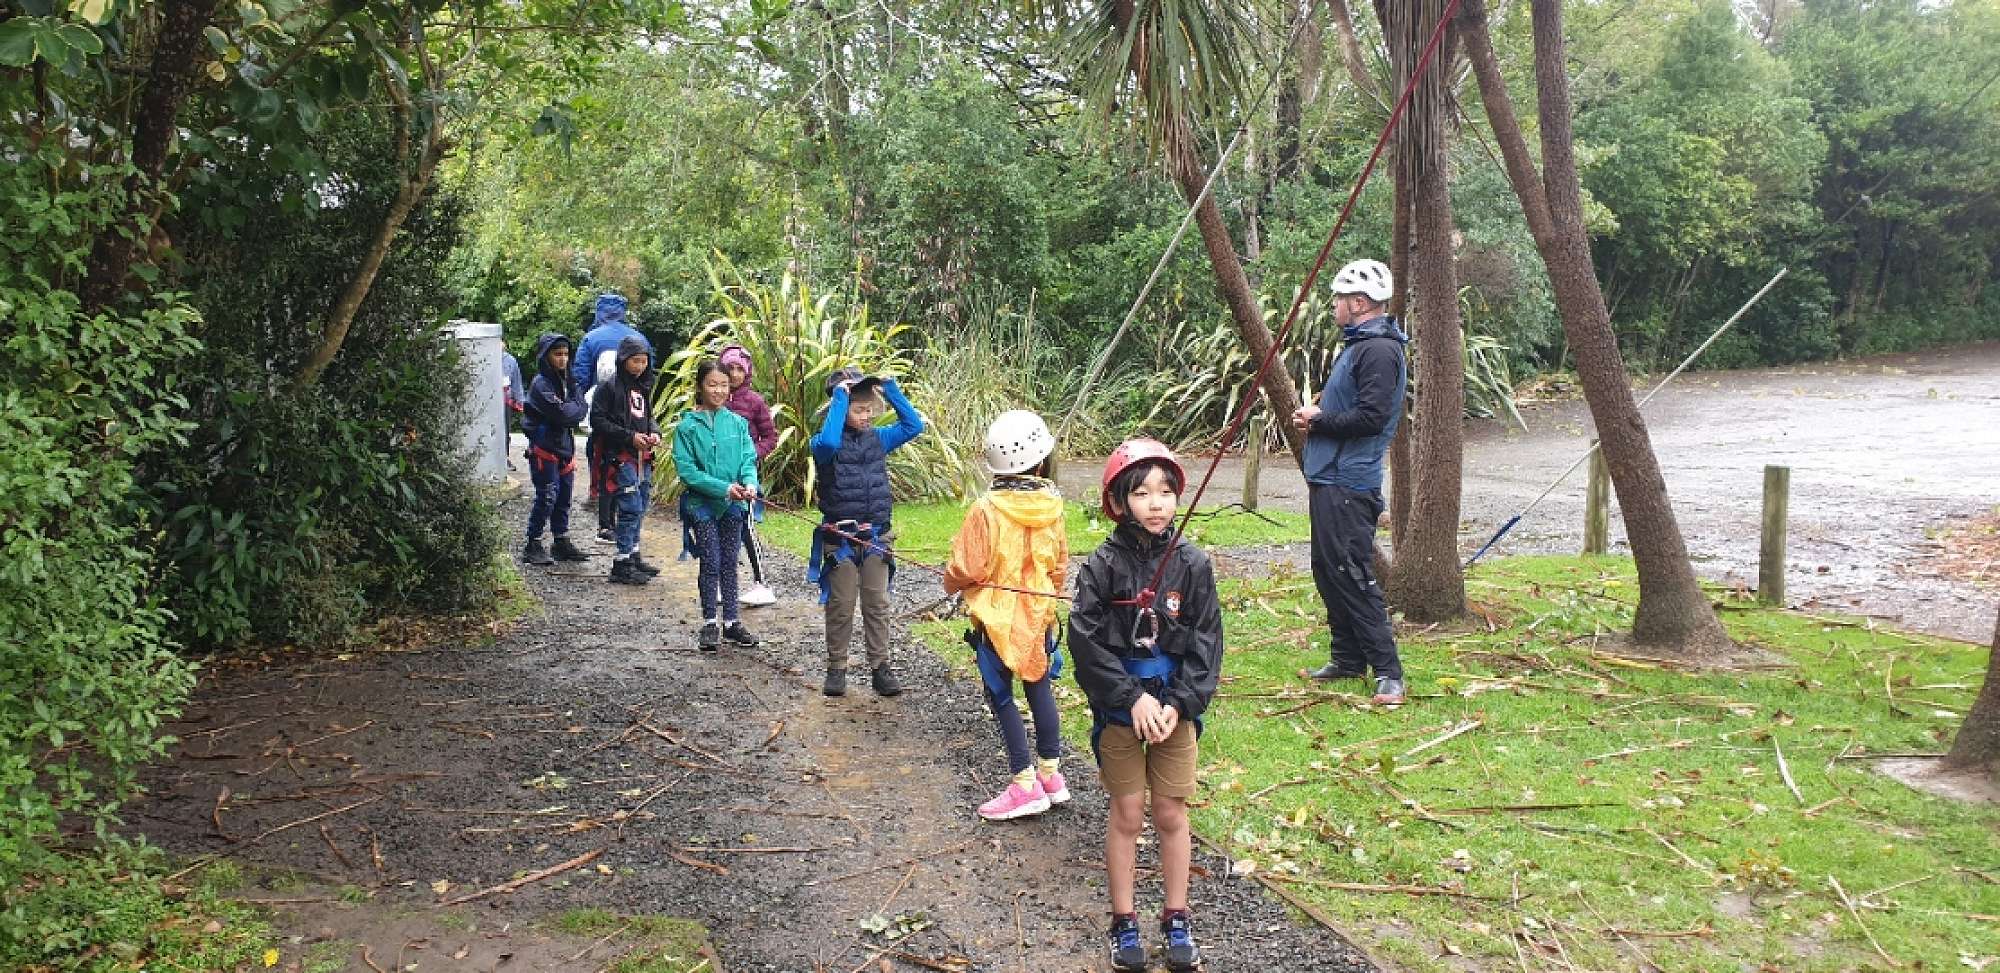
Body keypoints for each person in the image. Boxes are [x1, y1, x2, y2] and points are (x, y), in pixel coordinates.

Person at [1070, 439, 1221, 973]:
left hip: (1174, 710)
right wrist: (1129, 698)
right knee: (1129, 812)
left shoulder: (1193, 564)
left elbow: (1206, 641)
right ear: (1118, 501)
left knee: (1170, 811)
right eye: (1141, 493)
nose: (1155, 503)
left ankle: (1177, 916)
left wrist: (1180, 703)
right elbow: (1085, 641)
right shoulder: (1102, 566)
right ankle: (1124, 920)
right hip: (1120, 710)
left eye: (1164, 492)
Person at [1290, 258, 1409, 706]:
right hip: (1330, 476)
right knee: (1328, 570)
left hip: (1349, 481)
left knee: (1350, 573)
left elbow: (1373, 418)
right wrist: (1320, 417)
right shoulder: (1360, 345)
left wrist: (1320, 420)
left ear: (1359, 302)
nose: (1335, 305)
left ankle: (1389, 673)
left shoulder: (1378, 350)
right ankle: (1347, 658)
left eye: (1340, 298)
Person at [943, 411, 1069, 821]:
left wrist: (951, 582)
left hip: (996, 620)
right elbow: (1059, 565)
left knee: (999, 695)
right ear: (1040, 463)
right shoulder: (1052, 507)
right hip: (1037, 615)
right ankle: (1050, 774)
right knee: (1038, 687)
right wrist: (1045, 601)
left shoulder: (985, 510)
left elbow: (967, 566)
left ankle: (1025, 784)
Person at [809, 367, 926, 697]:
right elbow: (830, 441)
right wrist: (840, 397)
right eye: (859, 410)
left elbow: (913, 426)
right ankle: (837, 667)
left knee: (877, 604)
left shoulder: (879, 439)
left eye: (869, 410)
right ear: (840, 408)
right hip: (841, 540)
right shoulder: (822, 444)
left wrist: (890, 389)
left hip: (876, 538)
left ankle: (881, 667)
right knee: (841, 605)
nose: (866, 416)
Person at [675, 359, 763, 650]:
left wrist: (749, 483)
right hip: (702, 505)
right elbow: (688, 472)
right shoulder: (687, 427)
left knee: (729, 562)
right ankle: (710, 621)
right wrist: (724, 488)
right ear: (700, 386)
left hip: (734, 506)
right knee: (711, 561)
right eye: (712, 384)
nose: (718, 390)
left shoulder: (738, 423)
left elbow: (748, 460)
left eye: (724, 385)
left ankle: (732, 622)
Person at [574, 294, 650, 544]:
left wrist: (580, 406)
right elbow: (648, 375)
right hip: (632, 420)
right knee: (629, 470)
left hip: (603, 409)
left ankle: (602, 511)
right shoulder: (638, 338)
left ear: (599, 311)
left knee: (602, 462)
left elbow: (581, 376)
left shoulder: (590, 338)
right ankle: (624, 522)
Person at [590, 337, 663, 585]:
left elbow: (648, 417)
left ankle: (633, 554)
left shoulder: (642, 387)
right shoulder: (608, 387)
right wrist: (629, 437)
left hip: (643, 457)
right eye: (635, 361)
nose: (640, 366)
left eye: (644, 361)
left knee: (640, 505)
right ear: (623, 360)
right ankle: (621, 563)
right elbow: (598, 420)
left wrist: (654, 433)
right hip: (620, 458)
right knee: (630, 508)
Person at [520, 333, 591, 567]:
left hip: (564, 449)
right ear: (546, 356)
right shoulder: (540, 384)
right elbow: (565, 414)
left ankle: (561, 541)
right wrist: (573, 409)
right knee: (547, 497)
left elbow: (581, 408)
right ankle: (533, 543)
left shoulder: (569, 380)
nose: (562, 359)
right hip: (544, 449)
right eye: (557, 354)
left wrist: (573, 409)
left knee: (563, 497)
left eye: (566, 354)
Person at [718, 344, 779, 607]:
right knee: (718, 528)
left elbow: (770, 438)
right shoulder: (713, 399)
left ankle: (761, 583)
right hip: (718, 476)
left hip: (745, 476)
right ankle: (722, 584)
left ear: (747, 372)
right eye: (729, 368)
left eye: (739, 369)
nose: (734, 374)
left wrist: (749, 455)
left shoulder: (754, 401)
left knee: (746, 527)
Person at [500, 350, 525, 471]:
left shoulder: (510, 360)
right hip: (488, 401)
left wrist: (520, 401)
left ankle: (504, 458)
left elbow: (516, 382)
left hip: (505, 402)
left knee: (505, 430)